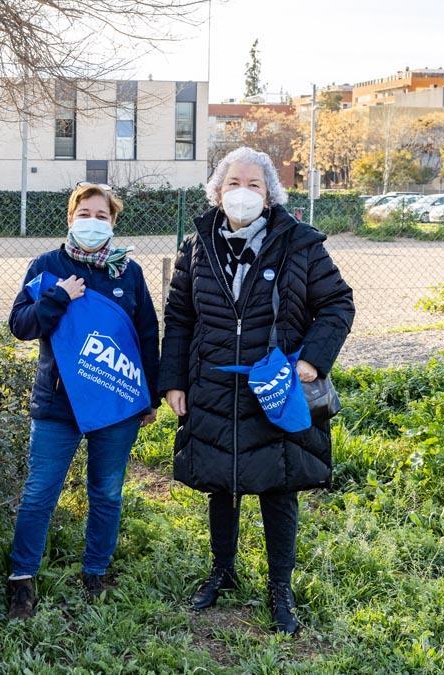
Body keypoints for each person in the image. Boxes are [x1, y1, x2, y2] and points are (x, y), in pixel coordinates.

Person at [158, 146, 355, 635]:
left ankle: (279, 588)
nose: (242, 193)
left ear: (269, 195)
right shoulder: (196, 245)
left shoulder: (301, 244)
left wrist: (312, 358)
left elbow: (337, 303)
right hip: (213, 384)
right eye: (233, 184)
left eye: (254, 185)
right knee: (220, 483)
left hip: (276, 388)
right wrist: (174, 380)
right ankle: (222, 571)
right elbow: (180, 317)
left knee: (278, 485)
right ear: (217, 192)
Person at [5, 182, 160, 619]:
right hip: (58, 406)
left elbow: (146, 334)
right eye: (85, 213)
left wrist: (148, 395)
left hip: (116, 404)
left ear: (113, 222)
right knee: (39, 494)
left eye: (102, 215)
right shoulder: (47, 267)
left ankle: (96, 571)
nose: (93, 222)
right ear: (70, 217)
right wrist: (58, 297)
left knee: (107, 492)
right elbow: (21, 324)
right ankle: (21, 578)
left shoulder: (128, 273)